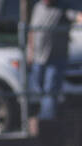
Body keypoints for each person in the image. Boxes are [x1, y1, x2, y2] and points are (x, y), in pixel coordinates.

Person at [27, 0, 77, 133]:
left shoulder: (63, 7)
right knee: (37, 89)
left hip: (55, 58)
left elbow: (76, 16)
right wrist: (30, 51)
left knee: (50, 89)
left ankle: (46, 124)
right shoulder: (38, 7)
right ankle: (38, 120)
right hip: (38, 57)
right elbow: (32, 30)